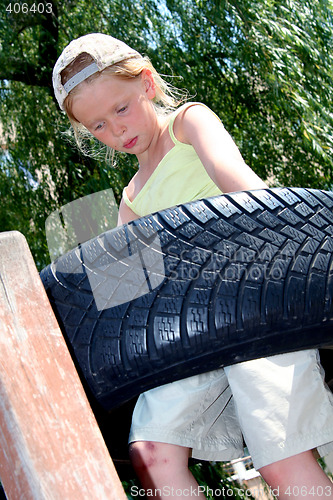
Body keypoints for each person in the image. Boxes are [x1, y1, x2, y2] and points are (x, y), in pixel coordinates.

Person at [52, 33, 333, 499]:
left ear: (146, 83)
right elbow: (132, 302)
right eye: (98, 126)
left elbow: (247, 196)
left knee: (280, 456)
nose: (117, 132)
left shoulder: (188, 123)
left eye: (120, 109)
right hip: (191, 334)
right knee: (151, 451)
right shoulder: (131, 202)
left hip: (252, 303)